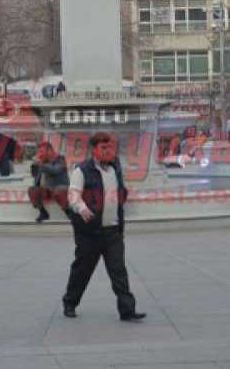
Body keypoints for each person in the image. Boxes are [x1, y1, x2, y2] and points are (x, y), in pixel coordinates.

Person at [62, 133, 145, 322]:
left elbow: (118, 191)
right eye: (104, 148)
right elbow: (73, 195)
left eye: (110, 148)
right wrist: (82, 208)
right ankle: (70, 302)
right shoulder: (81, 170)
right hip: (90, 232)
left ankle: (127, 310)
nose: (108, 151)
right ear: (94, 150)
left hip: (112, 230)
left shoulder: (115, 167)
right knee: (82, 270)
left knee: (119, 271)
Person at [28, 142, 69, 223]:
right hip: (48, 189)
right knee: (32, 190)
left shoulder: (60, 159)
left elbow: (55, 170)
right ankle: (43, 213)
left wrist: (41, 164)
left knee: (59, 191)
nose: (40, 154)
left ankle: (69, 212)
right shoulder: (43, 162)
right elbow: (34, 174)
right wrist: (34, 165)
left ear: (50, 150)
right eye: (39, 151)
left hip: (60, 186)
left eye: (42, 151)